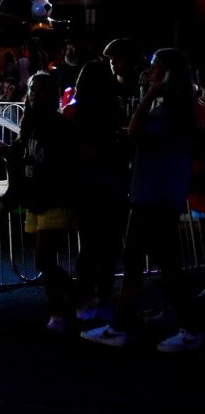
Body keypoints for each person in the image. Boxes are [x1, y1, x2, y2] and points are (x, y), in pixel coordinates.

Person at [82, 48, 201, 352]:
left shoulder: (170, 107)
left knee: (157, 260)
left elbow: (135, 132)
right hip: (156, 191)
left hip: (155, 192)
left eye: (156, 67)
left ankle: (185, 328)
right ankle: (127, 323)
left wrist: (149, 96)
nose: (150, 72)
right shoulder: (178, 105)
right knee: (145, 258)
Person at [64, 60, 126, 321]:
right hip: (112, 182)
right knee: (109, 245)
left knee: (89, 245)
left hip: (85, 183)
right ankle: (104, 296)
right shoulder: (114, 111)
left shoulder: (73, 113)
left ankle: (85, 298)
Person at [13, 73, 75, 332]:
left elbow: (61, 163)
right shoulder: (29, 123)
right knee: (44, 260)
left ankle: (67, 302)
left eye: (38, 90)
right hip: (37, 198)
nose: (33, 95)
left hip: (53, 197)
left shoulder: (58, 125)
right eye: (31, 90)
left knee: (43, 258)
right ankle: (62, 304)